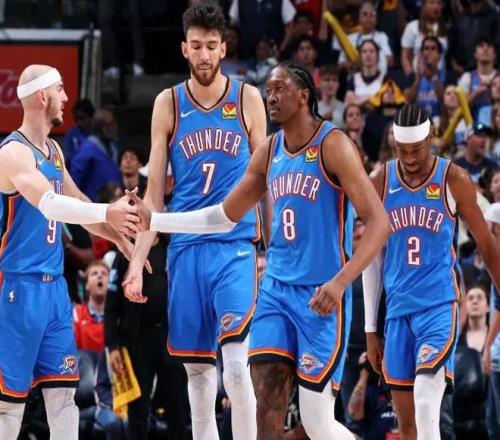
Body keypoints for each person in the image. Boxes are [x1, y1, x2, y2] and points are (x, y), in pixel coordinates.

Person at [127, 59, 391, 439]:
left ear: (304, 96)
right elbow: (222, 216)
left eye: (280, 89)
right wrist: (157, 220)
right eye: (268, 90)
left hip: (321, 294)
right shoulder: (268, 151)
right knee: (263, 400)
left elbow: (379, 223)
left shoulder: (333, 145)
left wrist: (339, 283)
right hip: (275, 293)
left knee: (317, 421)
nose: (271, 97)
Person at [123, 3, 267, 440]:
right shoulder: (168, 103)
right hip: (185, 249)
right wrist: (136, 262)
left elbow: (266, 183)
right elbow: (154, 198)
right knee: (199, 379)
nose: (204, 55)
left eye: (212, 46)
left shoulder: (247, 98)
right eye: (197, 46)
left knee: (237, 368)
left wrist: (273, 249)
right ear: (184, 48)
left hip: (234, 245)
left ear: (224, 48)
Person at [0, 64, 139, 439]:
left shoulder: (55, 151)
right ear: (41, 96)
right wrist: (107, 211)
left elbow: (79, 205)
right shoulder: (13, 153)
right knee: (9, 406)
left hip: (55, 291)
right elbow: (50, 204)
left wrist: (121, 239)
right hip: (18, 289)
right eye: (59, 89)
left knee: (64, 397)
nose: (66, 97)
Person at [363, 103, 500, 440]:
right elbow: (372, 258)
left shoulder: (454, 178)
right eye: (403, 150)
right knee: (407, 424)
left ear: (431, 139)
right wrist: (370, 328)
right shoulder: (380, 180)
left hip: (438, 307)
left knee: (426, 403)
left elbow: (485, 242)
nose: (410, 158)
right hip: (397, 313)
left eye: (416, 149)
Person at [73, 259, 109, 353]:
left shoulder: (118, 316)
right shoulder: (76, 314)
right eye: (94, 273)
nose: (100, 276)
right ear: (87, 285)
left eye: (104, 274)